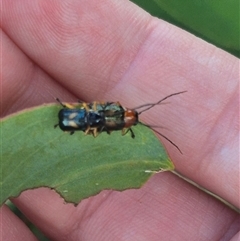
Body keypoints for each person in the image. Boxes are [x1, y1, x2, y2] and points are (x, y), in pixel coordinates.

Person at [1, 1, 239, 240]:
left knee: (92, 118)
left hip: (82, 119)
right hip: (83, 119)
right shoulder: (115, 117)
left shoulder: (114, 117)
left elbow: (104, 117)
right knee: (92, 118)